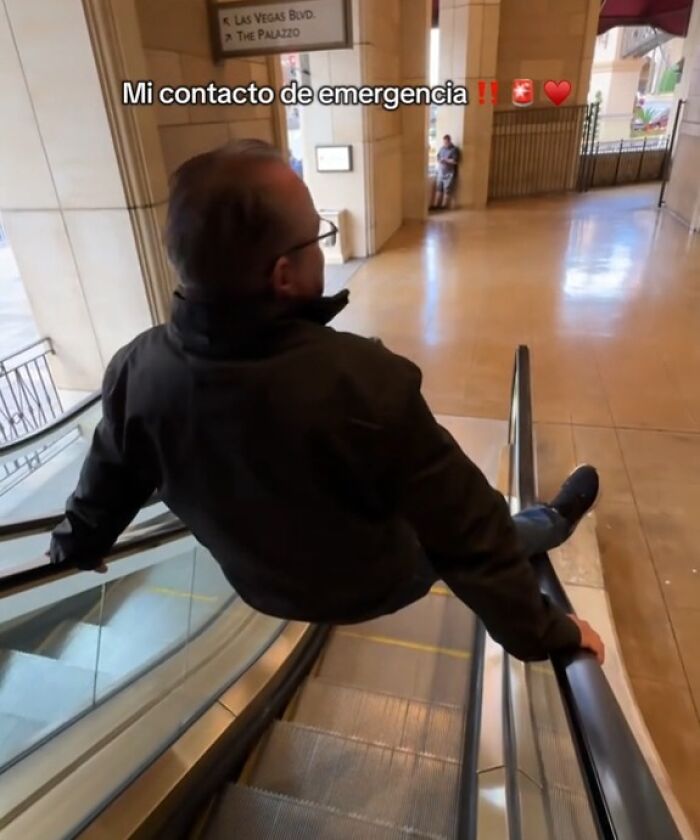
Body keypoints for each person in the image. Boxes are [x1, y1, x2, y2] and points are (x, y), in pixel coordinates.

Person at [49, 140, 604, 665]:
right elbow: (468, 534)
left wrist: (78, 545)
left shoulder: (133, 371)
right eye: (317, 237)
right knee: (473, 527)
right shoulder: (363, 381)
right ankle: (552, 522)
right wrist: (548, 633)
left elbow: (109, 476)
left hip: (261, 587)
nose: (323, 246)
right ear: (284, 276)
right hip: (378, 582)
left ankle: (545, 522)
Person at [432, 134, 460, 210]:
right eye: (444, 142)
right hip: (441, 171)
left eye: (446, 142)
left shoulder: (454, 150)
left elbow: (455, 161)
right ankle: (435, 205)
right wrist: (439, 160)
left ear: (450, 141)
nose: (445, 144)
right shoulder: (442, 148)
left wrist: (446, 160)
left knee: (446, 189)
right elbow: (438, 157)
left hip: (449, 173)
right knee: (438, 188)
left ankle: (443, 206)